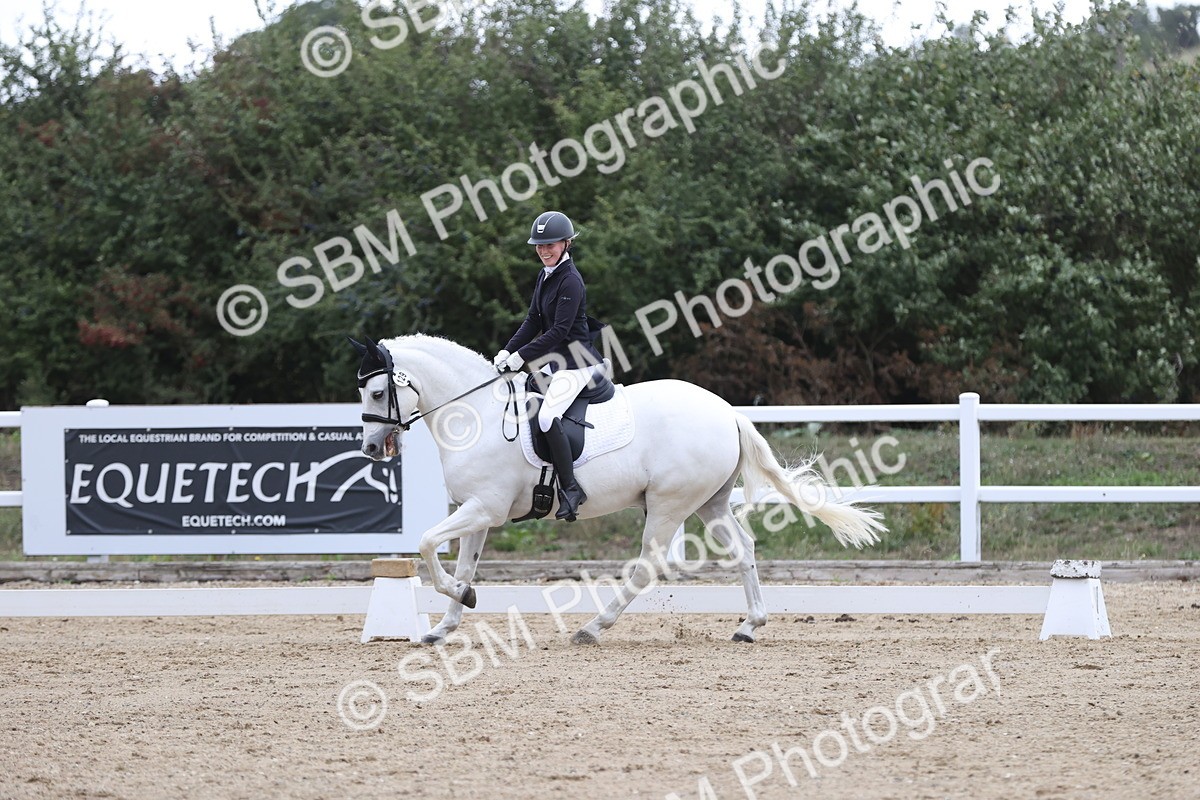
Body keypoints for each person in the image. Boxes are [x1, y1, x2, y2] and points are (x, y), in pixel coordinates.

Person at [494, 211, 603, 521]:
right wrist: (508, 349)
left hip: (577, 362)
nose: (543, 251)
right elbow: (534, 321)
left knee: (546, 416)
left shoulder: (570, 280)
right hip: (557, 363)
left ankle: (571, 488)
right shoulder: (546, 275)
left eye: (550, 245)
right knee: (521, 394)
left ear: (566, 244)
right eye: (539, 246)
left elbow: (558, 332)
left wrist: (520, 358)